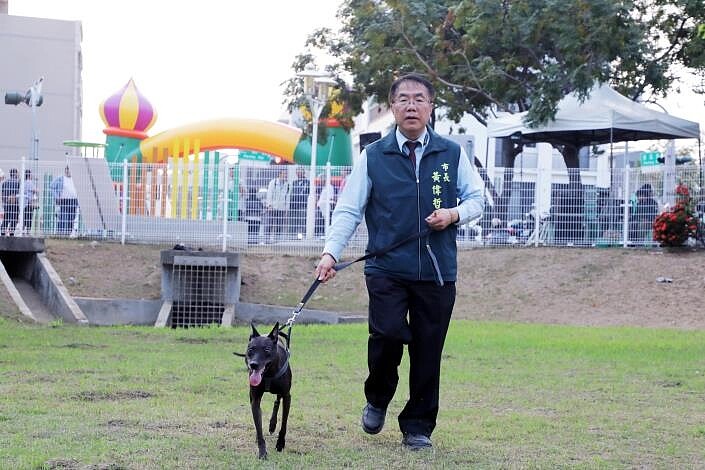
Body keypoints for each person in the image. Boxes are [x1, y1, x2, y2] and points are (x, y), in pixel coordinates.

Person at [315, 73, 484, 450]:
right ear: (392, 107)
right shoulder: (374, 156)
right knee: (388, 335)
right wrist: (330, 253)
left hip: (437, 271)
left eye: (419, 99)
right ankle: (377, 397)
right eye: (403, 99)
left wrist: (453, 215)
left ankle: (418, 426)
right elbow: (348, 210)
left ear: (430, 106)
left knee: (428, 349)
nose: (411, 105)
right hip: (387, 268)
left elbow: (478, 200)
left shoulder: (451, 152)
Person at [262, 168, 289, 244]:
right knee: (269, 224)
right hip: (272, 207)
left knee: (279, 225)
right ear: (280, 174)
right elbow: (269, 194)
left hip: (281, 208)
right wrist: (269, 205)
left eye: (286, 174)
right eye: (284, 174)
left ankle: (276, 241)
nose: (285, 175)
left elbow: (287, 197)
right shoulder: (273, 183)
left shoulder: (287, 185)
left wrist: (286, 209)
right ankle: (266, 240)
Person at [51, 166, 79, 235]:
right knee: (63, 217)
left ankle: (69, 233)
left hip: (74, 200)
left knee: (72, 217)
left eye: (69, 169)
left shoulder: (75, 178)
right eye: (67, 169)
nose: (68, 171)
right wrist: (57, 196)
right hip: (63, 200)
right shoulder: (60, 178)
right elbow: (52, 187)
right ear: (65, 170)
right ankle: (60, 233)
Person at [289, 167, 309, 239]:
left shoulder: (307, 182)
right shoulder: (294, 182)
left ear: (303, 173)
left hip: (303, 205)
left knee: (302, 221)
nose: (299, 174)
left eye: (300, 172)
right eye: (297, 172)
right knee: (294, 221)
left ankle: (300, 236)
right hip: (294, 205)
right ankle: (292, 236)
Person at [1, 168, 21, 236]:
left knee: (6, 218)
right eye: (17, 173)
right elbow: (16, 193)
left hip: (6, 203)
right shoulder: (17, 182)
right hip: (14, 203)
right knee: (14, 218)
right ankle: (11, 232)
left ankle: (2, 232)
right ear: (15, 174)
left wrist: (4, 202)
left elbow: (3, 194)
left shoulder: (4, 183)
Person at [22, 169, 38, 234]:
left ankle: (22, 231)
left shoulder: (24, 182)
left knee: (24, 218)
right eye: (31, 174)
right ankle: (28, 232)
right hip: (29, 203)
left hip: (24, 203)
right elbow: (36, 191)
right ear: (29, 175)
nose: (32, 175)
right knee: (29, 218)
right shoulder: (30, 182)